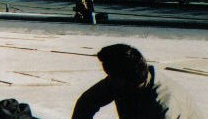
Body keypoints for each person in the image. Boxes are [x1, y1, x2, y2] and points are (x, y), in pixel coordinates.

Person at [72, 44, 200, 119]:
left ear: (123, 81)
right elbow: (87, 102)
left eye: (110, 75)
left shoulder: (163, 106)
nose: (108, 80)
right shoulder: (126, 79)